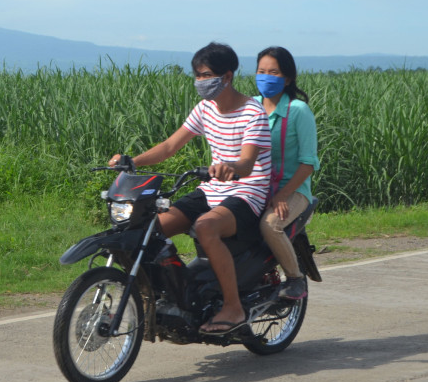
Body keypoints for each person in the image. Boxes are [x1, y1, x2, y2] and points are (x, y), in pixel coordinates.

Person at [109, 42, 271, 335]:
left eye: (206, 75)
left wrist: (231, 167)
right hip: (212, 189)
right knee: (148, 228)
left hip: (248, 192)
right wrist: (132, 160)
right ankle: (174, 293)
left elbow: (247, 163)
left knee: (206, 226)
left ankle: (233, 307)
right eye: (197, 76)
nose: (200, 82)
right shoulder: (205, 108)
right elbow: (170, 146)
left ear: (227, 76)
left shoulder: (252, 112)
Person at [254, 46, 320, 300]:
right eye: (261, 71)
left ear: (288, 78)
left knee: (270, 225)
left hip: (293, 190)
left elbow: (308, 162)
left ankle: (295, 278)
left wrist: (283, 193)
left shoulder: (298, 111)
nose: (266, 77)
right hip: (257, 187)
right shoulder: (251, 107)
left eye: (274, 72)